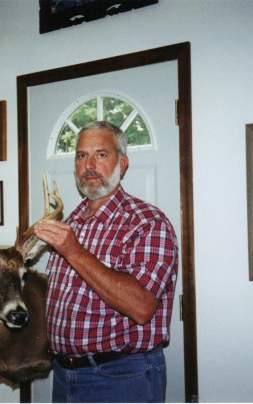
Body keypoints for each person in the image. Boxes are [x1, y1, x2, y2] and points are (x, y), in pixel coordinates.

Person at [34, 121, 179, 403]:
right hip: (63, 375)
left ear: (122, 164)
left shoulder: (147, 222)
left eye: (101, 155)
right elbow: (60, 308)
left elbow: (141, 307)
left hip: (122, 377)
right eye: (81, 155)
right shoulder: (70, 223)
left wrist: (74, 252)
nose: (89, 165)